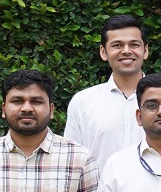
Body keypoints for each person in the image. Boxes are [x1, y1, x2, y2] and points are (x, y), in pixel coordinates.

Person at [62, 15, 154, 165]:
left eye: (134, 45)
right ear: (103, 52)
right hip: (99, 189)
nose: (126, 51)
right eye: (117, 45)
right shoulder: (82, 102)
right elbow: (72, 160)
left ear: (145, 50)